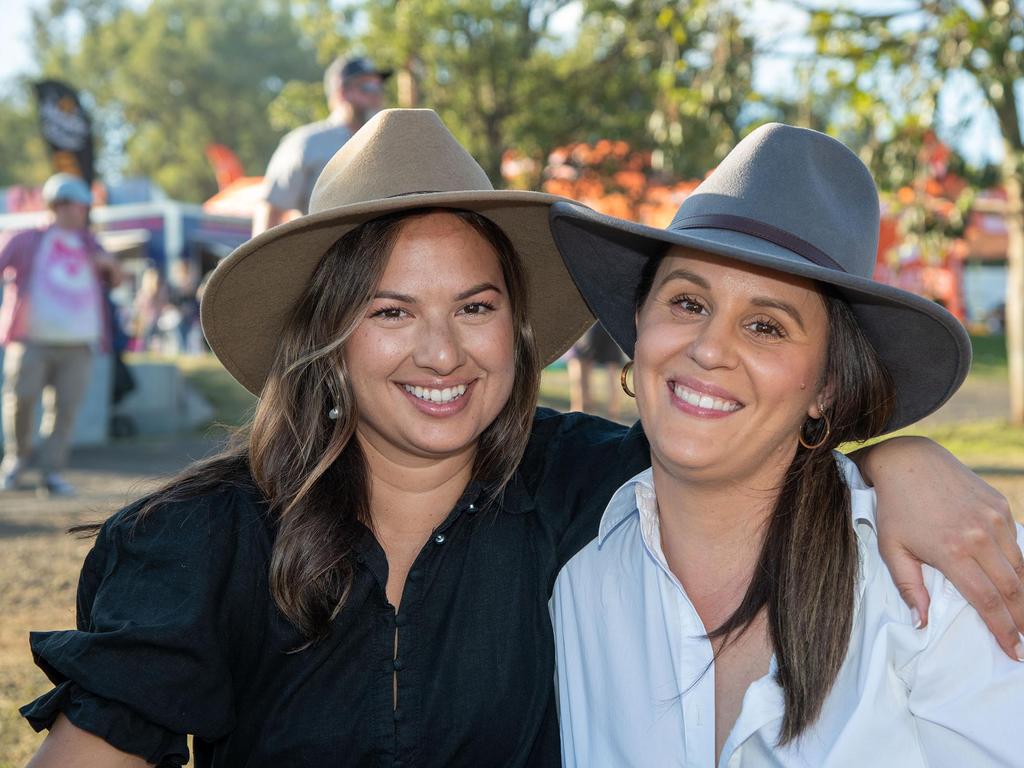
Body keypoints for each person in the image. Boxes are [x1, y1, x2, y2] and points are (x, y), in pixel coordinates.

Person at [21, 111, 1023, 767]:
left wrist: (895, 462)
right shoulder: (207, 538)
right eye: (389, 311)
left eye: (475, 305)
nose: (441, 351)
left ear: (516, 328)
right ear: (327, 337)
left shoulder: (576, 491)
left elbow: (745, 451)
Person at [548, 124, 1024, 766]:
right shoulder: (582, 589)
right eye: (687, 302)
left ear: (826, 386)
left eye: (766, 325)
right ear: (640, 326)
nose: (710, 348)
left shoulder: (941, 582)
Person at [0, 173, 122, 496]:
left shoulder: (90, 243)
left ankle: (51, 471)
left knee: (65, 409)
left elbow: (118, 279)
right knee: (20, 400)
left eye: (84, 206)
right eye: (77, 205)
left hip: (79, 342)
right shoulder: (26, 238)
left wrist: (108, 264)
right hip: (30, 338)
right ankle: (17, 459)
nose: (82, 212)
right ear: (57, 205)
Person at [251, 55, 392, 236]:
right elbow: (272, 209)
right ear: (342, 92)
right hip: (322, 260)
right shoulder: (306, 143)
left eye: (379, 86)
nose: (376, 94)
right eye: (367, 86)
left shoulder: (388, 144)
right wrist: (264, 263)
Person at [566, 323, 626, 418]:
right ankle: (613, 415)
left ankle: (579, 411)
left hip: (591, 321)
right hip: (610, 323)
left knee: (580, 365)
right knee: (612, 372)